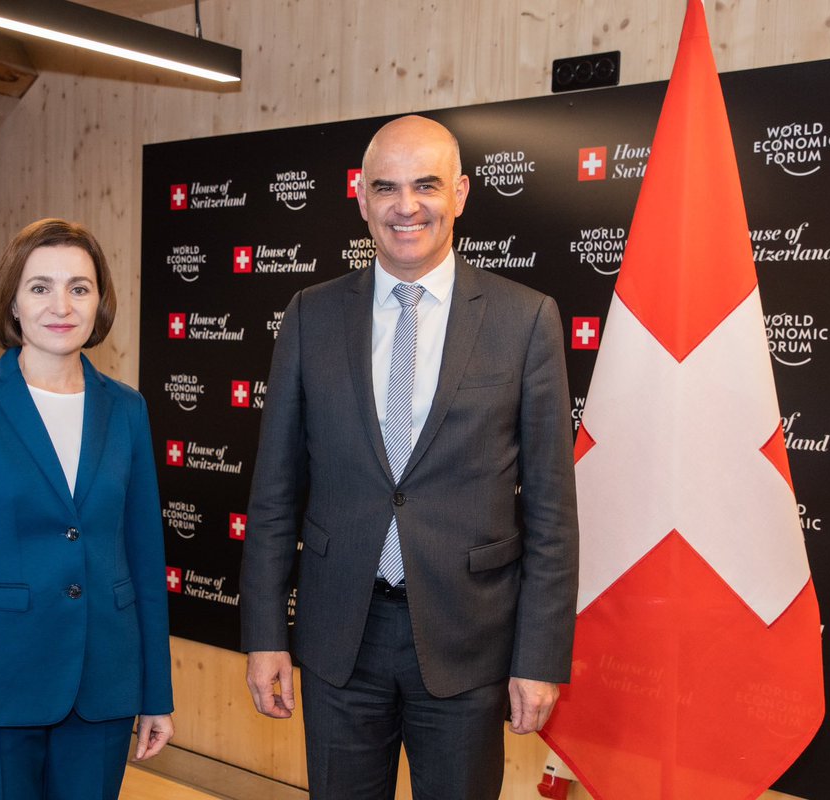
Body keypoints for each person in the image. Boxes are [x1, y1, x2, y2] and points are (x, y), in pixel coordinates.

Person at [240, 115, 579, 800]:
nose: (406, 206)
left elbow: (551, 511)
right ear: (361, 199)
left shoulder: (524, 319)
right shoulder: (309, 315)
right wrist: (265, 634)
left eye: (426, 185)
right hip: (340, 640)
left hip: (468, 642)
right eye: (385, 188)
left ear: (460, 193)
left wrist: (540, 657)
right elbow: (274, 494)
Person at [0, 219, 174, 799]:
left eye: (79, 287)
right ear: (13, 303)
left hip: (101, 688)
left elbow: (145, 562)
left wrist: (156, 694)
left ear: (100, 303)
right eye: (40, 287)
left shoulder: (127, 410)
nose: (61, 305)